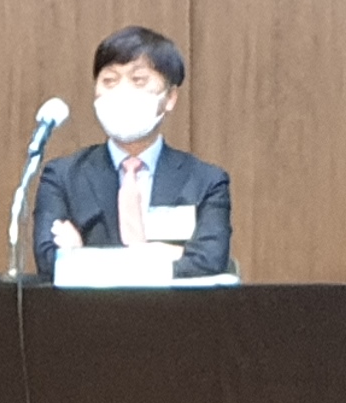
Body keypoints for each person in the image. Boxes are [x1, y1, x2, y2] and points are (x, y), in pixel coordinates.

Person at [30, 24, 234, 281]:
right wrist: (165, 254)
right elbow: (50, 261)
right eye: (109, 81)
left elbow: (209, 261)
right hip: (90, 308)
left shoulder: (206, 181)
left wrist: (81, 257)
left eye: (138, 80)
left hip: (176, 307)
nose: (122, 92)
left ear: (170, 97)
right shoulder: (63, 176)